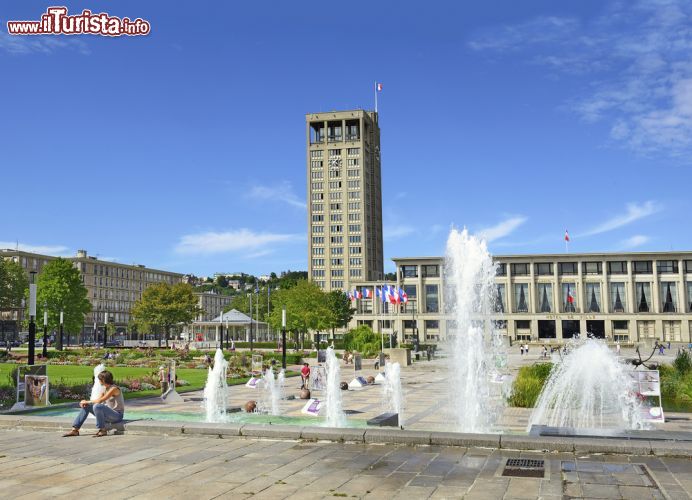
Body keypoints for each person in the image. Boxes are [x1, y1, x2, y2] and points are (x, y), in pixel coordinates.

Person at [62, 370, 124, 437]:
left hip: (117, 416)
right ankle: (75, 430)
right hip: (108, 415)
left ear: (103, 380)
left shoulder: (114, 389)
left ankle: (102, 430)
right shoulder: (105, 389)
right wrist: (86, 402)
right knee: (87, 406)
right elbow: (97, 400)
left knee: (97, 406)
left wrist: (86, 401)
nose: (98, 381)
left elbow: (101, 400)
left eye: (99, 379)